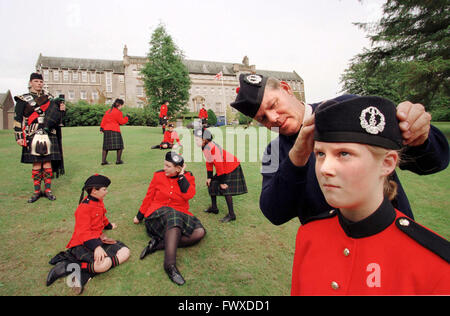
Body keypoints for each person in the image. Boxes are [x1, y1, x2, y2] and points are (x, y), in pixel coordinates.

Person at [231, 73, 449, 225]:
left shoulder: (348, 109)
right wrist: (296, 158)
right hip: (330, 256)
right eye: (262, 118)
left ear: (287, 89)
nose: (273, 119)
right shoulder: (274, 151)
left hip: (389, 237)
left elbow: (432, 163)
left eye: (273, 105)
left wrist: (421, 136)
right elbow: (273, 213)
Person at [290, 96, 450, 295]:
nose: (325, 168)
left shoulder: (435, 264)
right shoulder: (309, 237)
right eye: (320, 154)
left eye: (344, 153)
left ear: (387, 163)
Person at [46, 174, 130, 294]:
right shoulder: (83, 208)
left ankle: (81, 271)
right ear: (94, 191)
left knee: (125, 252)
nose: (107, 191)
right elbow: (83, 232)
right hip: (81, 243)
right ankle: (68, 266)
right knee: (103, 265)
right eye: (104, 189)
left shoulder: (98, 201)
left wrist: (109, 225)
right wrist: (96, 247)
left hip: (98, 240)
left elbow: (102, 216)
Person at [133, 152, 205, 286]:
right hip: (157, 213)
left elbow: (189, 195)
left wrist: (182, 177)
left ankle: (157, 245)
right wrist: (139, 215)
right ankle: (169, 265)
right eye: (164, 165)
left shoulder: (188, 177)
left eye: (168, 166)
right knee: (174, 215)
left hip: (180, 213)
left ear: (178, 168)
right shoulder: (158, 175)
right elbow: (149, 196)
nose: (164, 168)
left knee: (199, 232)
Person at [13, 72, 65, 203]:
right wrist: (19, 136)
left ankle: (47, 190)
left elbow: (57, 117)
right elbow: (17, 119)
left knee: (47, 163)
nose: (39, 84)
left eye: (41, 82)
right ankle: (37, 192)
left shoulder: (50, 98)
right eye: (36, 81)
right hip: (32, 133)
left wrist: (62, 110)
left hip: (48, 133)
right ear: (31, 83)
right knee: (36, 163)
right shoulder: (23, 99)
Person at [194, 128, 248, 223]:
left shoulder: (212, 147)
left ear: (204, 139)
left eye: (197, 139)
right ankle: (214, 208)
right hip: (223, 167)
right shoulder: (205, 147)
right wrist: (209, 177)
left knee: (225, 188)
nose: (195, 141)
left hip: (231, 166)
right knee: (211, 183)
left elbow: (219, 165)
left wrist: (222, 182)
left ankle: (232, 215)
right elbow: (209, 162)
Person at [100, 99, 129, 165]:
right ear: (120, 105)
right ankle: (118, 161)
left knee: (106, 147)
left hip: (106, 130)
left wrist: (101, 128)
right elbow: (121, 122)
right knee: (120, 146)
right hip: (115, 130)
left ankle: (103, 161)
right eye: (122, 105)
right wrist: (127, 117)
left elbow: (103, 120)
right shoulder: (118, 112)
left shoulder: (108, 111)